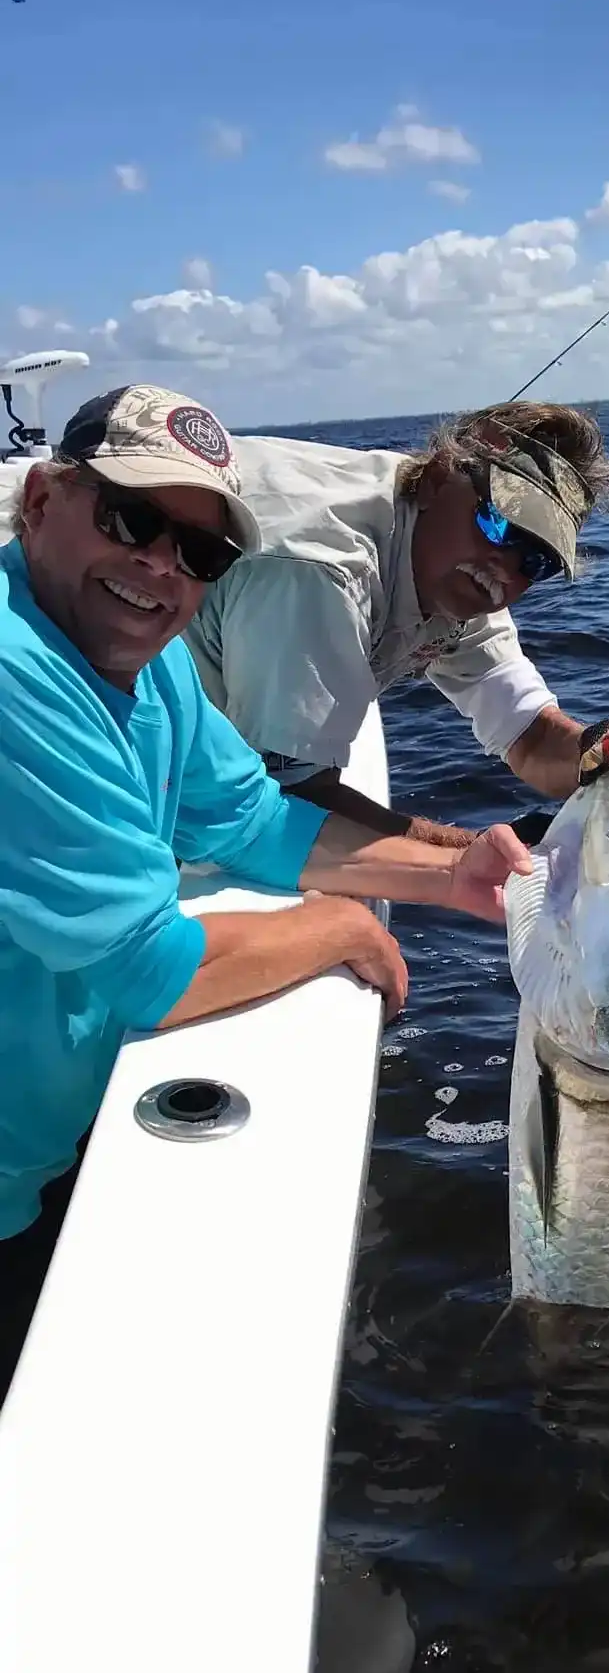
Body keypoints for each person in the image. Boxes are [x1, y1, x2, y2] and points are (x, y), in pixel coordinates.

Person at [0, 382, 563, 1381]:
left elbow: (251, 819)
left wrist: (451, 873)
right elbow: (150, 968)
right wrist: (338, 928)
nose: (159, 566)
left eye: (201, 553)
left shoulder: (143, 653)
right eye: (133, 518)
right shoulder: (18, 674)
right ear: (42, 500)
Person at [180, 398, 609, 847]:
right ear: (436, 478)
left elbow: (529, 733)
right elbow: (283, 806)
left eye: (535, 558)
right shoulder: (321, 570)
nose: (507, 566)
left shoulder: (453, 562)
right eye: (498, 524)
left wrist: (594, 753)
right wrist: (482, 854)